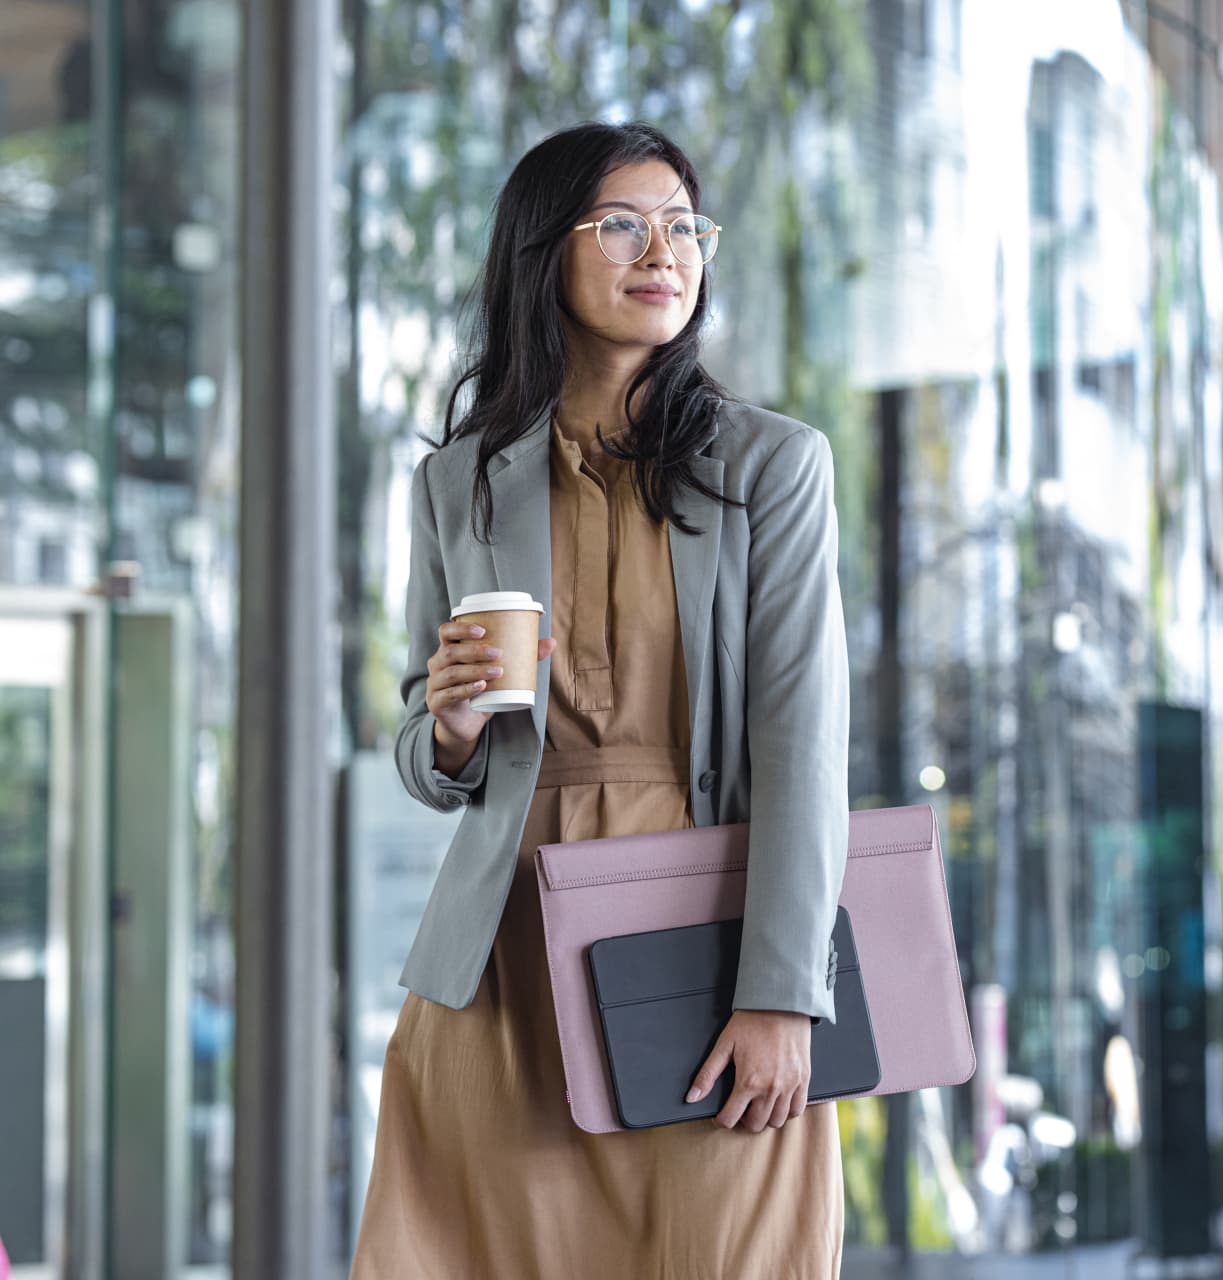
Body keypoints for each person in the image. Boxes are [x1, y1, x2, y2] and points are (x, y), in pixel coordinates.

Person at [351, 121, 851, 1278]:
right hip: (507, 962)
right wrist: (451, 724)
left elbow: (802, 739)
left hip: (711, 947)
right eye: (623, 222)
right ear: (543, 251)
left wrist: (782, 991)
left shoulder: (773, 465)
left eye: (682, 225)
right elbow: (430, 761)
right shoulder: (458, 479)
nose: (662, 249)